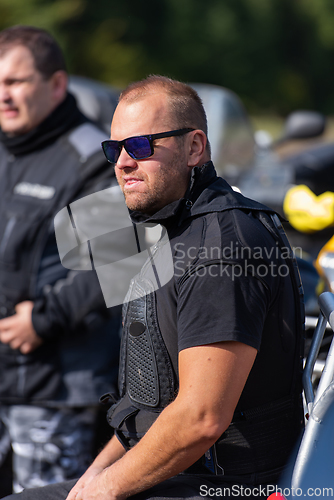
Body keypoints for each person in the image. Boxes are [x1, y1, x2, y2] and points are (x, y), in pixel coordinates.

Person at [5, 75, 305, 500]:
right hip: (178, 470)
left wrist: (103, 490)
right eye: (115, 149)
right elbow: (149, 408)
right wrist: (92, 478)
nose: (123, 162)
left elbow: (199, 418)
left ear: (195, 147)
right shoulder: (174, 227)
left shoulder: (220, 247)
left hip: (225, 486)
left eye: (142, 146)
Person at [0, 26, 121, 494]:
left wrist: (44, 319)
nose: (4, 96)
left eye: (16, 82)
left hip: (54, 386)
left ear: (56, 85)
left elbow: (116, 265)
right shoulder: (7, 151)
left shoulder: (90, 158)